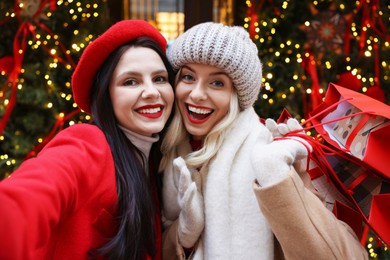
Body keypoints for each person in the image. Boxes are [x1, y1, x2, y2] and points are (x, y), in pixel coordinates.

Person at [160, 22, 368, 259]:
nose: (196, 94)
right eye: (188, 77)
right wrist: (183, 235)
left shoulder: (268, 149)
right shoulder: (169, 151)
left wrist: (278, 179)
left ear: (236, 96)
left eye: (217, 83)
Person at [0, 20, 175, 259]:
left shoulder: (158, 159)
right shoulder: (88, 143)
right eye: (130, 82)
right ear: (106, 95)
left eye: (159, 79)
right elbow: (18, 206)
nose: (152, 91)